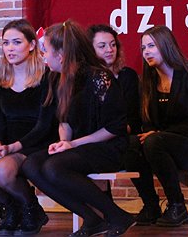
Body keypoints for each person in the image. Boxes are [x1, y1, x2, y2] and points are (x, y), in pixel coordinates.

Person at [22, 20, 135, 237]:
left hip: (109, 147)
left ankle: (116, 215)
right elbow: (65, 121)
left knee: (53, 167)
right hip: (79, 147)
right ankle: (92, 219)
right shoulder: (59, 78)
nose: (43, 56)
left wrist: (73, 144)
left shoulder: (99, 78)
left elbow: (115, 128)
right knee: (31, 165)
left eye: (46, 51)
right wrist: (64, 142)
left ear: (61, 55)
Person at [0, 19, 58, 235]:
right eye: (6, 43)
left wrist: (13, 148)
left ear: (32, 45)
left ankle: (30, 207)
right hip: (7, 143)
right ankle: (13, 207)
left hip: (36, 142)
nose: (10, 48)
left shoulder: (48, 77)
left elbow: (44, 125)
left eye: (17, 42)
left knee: (2, 170)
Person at [124, 25, 188, 227]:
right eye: (143, 48)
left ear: (165, 45)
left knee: (154, 141)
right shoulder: (147, 81)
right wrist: (152, 134)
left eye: (151, 46)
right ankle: (151, 205)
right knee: (130, 144)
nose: (146, 52)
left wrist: (160, 133)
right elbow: (147, 123)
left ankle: (177, 206)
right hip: (159, 145)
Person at [88, 24, 141, 134]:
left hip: (122, 136)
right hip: (90, 138)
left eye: (113, 45)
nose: (110, 50)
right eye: (102, 46)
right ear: (90, 50)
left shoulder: (128, 76)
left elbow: (133, 120)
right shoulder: (85, 79)